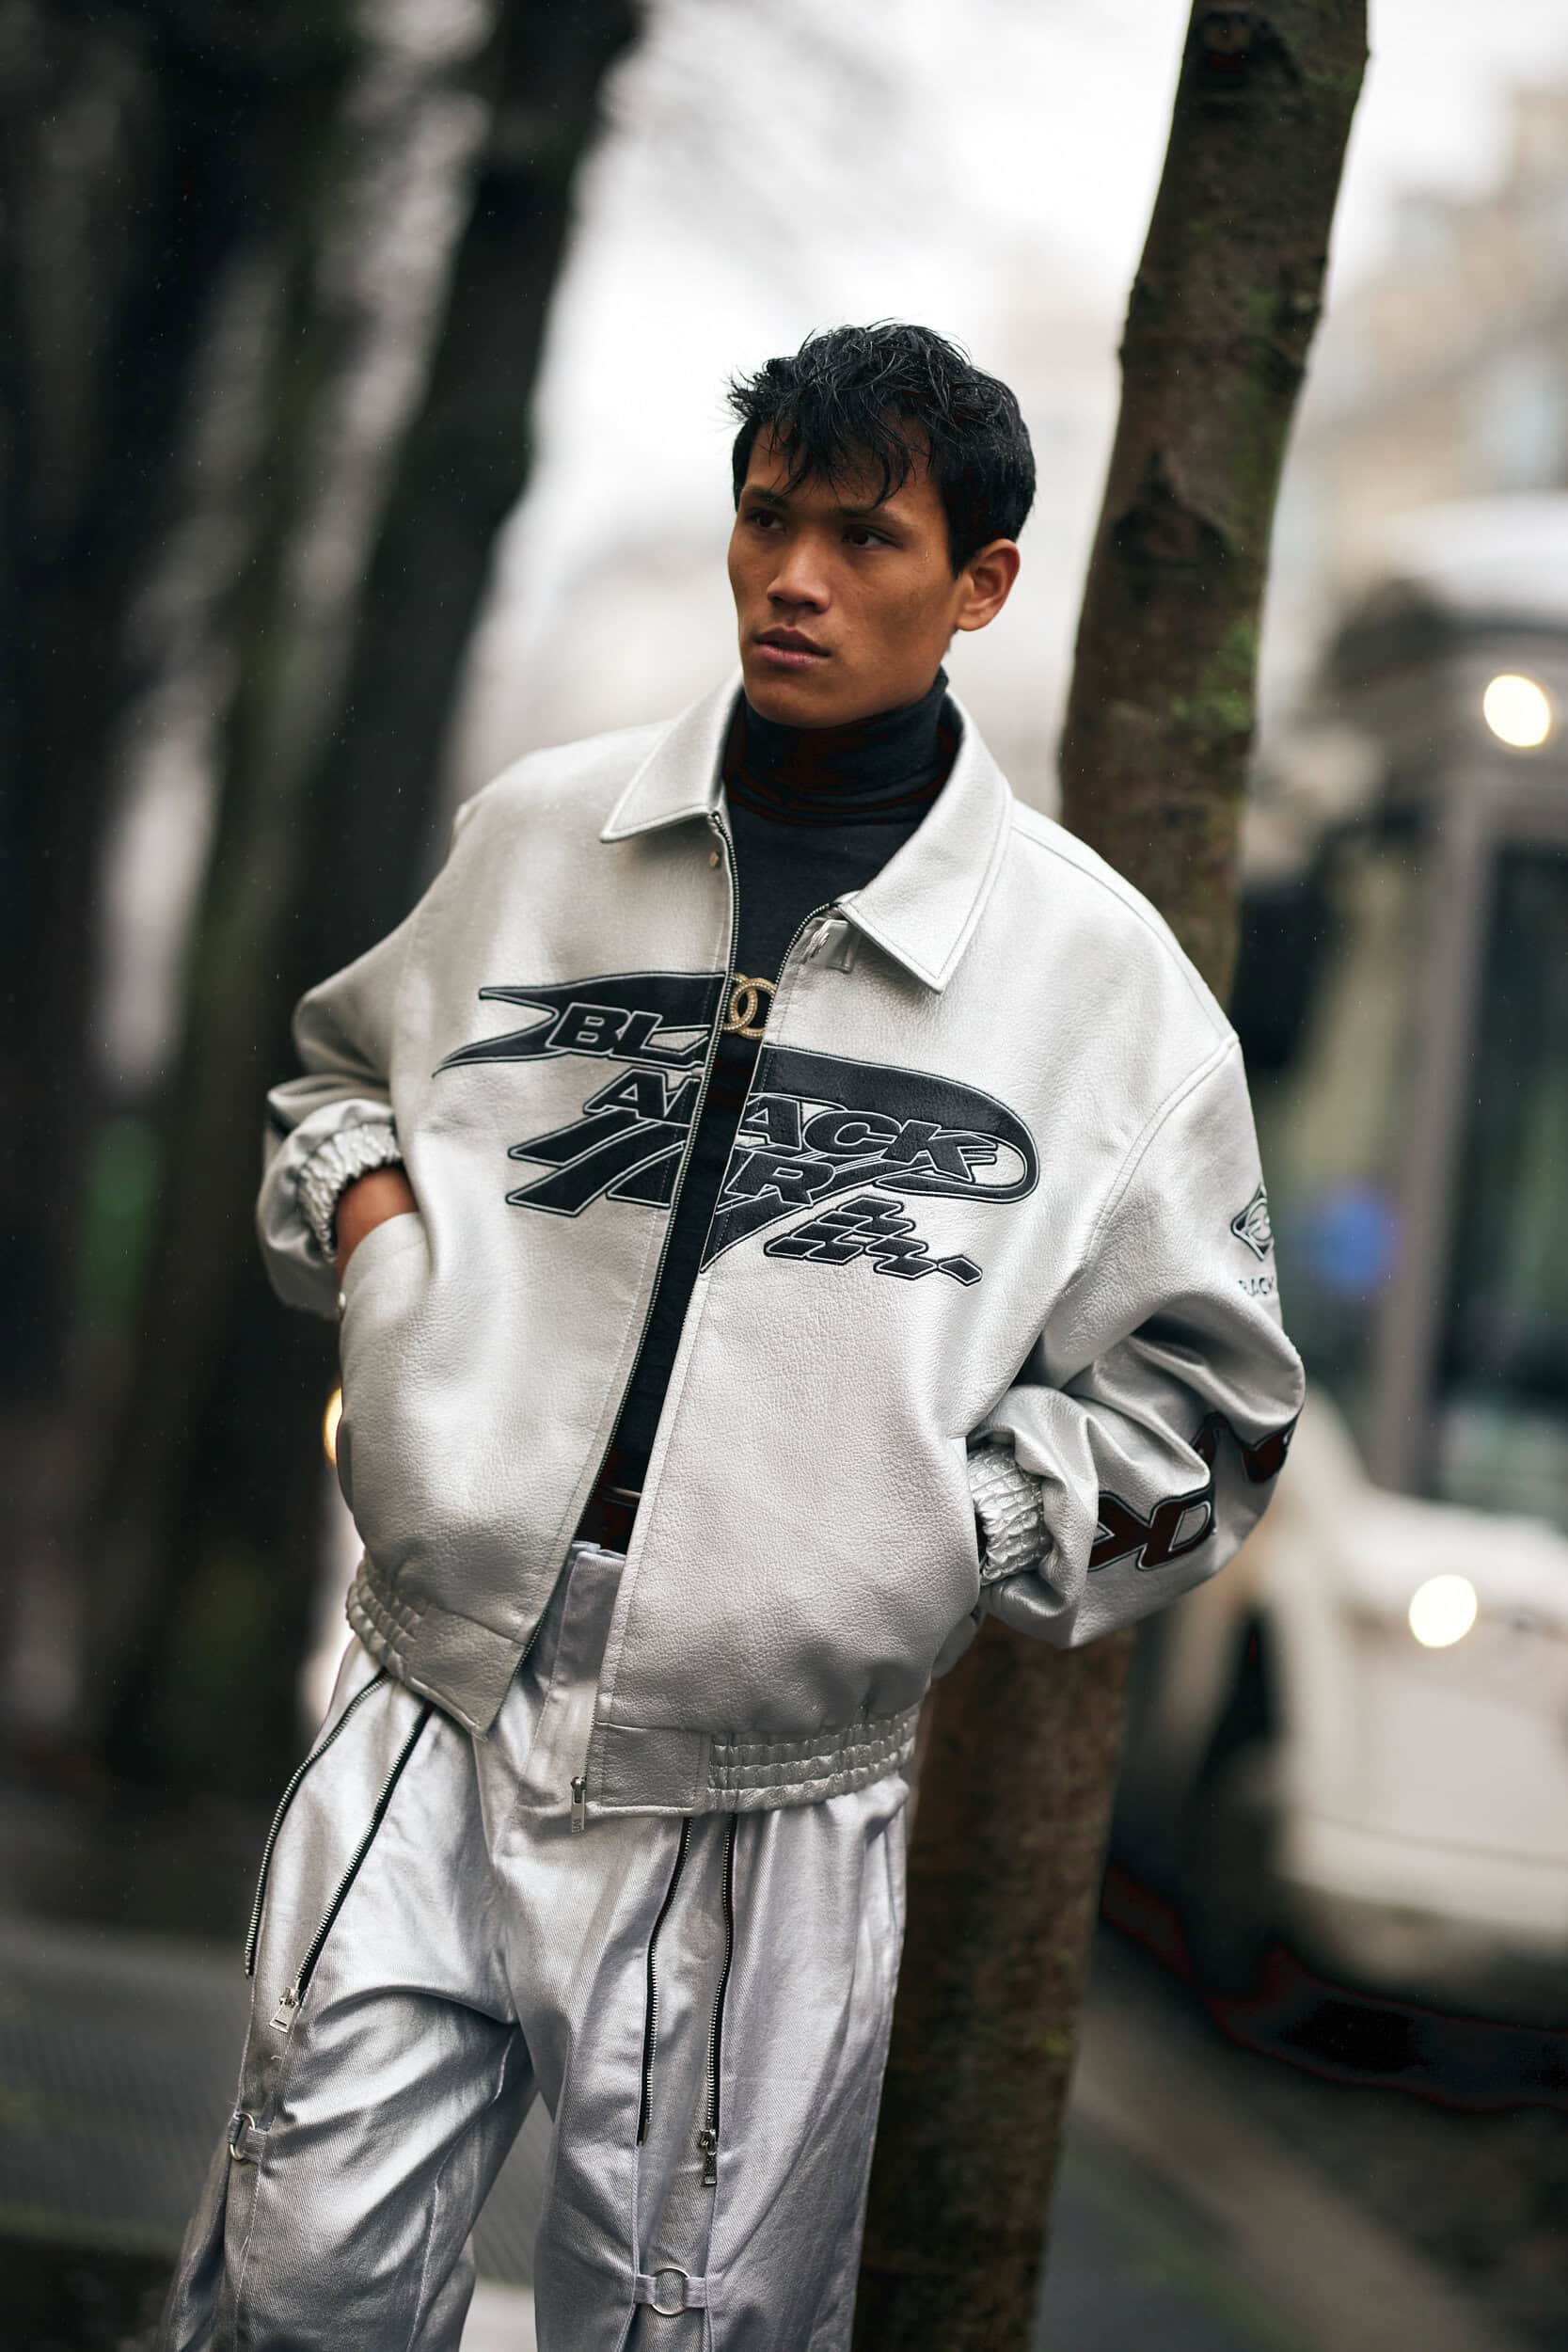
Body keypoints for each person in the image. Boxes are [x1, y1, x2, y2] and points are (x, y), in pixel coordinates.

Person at [158, 322, 1305, 2352]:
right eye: (769, 520)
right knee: (294, 2279)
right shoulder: (546, 835)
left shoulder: (1098, 987)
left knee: (687, 2324)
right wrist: (386, 1256)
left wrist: (932, 1536)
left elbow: (1210, 1411)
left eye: (865, 538)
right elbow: (341, 1082)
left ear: (980, 585)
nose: (795, 577)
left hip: (770, 1780)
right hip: (434, 1686)